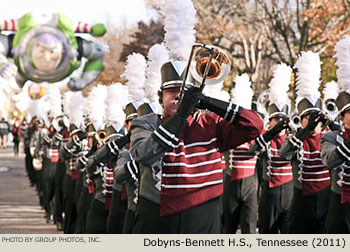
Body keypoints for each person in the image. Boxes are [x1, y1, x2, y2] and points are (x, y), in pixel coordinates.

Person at [279, 51, 331, 233]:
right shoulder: (296, 139)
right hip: (301, 200)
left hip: (326, 198)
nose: (313, 122)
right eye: (308, 118)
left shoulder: (330, 138)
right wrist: (306, 131)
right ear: (302, 120)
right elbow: (283, 154)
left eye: (316, 118)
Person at [0, 12, 106, 92]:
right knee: (12, 89)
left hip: (63, 67)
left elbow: (98, 54)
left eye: (51, 52)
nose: (46, 57)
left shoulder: (72, 42)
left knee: (96, 50)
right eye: (42, 51)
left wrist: (83, 81)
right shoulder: (20, 38)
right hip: (20, 70)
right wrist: (2, 65)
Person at [249, 63, 294, 234]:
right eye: (277, 120)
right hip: (270, 192)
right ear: (270, 121)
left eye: (283, 120)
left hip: (290, 192)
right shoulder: (265, 139)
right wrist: (270, 133)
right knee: (267, 233)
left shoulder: (292, 138)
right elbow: (252, 150)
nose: (280, 123)